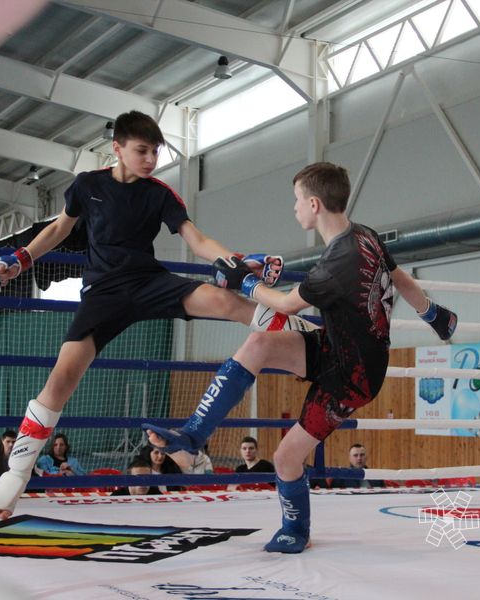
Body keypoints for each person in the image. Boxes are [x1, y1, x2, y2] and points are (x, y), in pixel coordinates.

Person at [0, 111, 314, 520]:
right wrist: (22, 259)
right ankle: (16, 472)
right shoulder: (88, 186)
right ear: (117, 148)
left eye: (155, 152)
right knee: (62, 377)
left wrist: (236, 260)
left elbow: (197, 240)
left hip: (148, 281)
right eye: (142, 151)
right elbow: (59, 230)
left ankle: (306, 334)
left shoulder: (160, 194)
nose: (150, 160)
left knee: (222, 299)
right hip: (102, 294)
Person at [145, 162, 457, 553]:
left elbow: (285, 304)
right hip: (336, 346)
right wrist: (433, 314)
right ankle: (192, 438)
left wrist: (245, 280)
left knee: (285, 457)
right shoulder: (365, 237)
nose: (293, 208)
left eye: (296, 201)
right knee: (259, 343)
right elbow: (401, 279)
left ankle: (297, 528)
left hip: (352, 376)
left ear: (314, 204)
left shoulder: (336, 264)